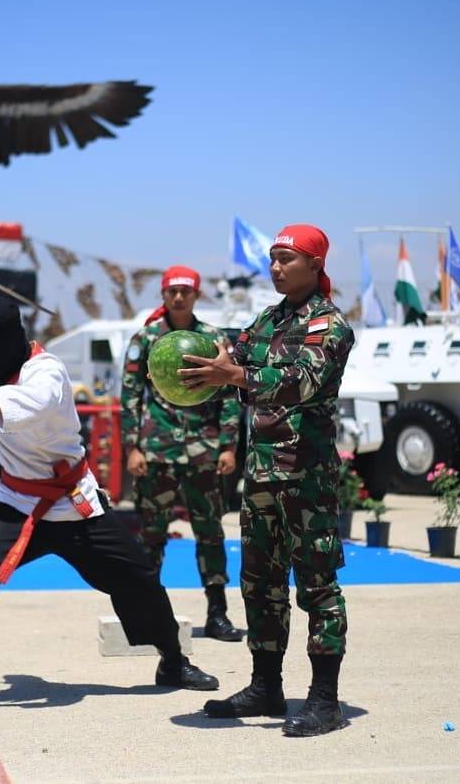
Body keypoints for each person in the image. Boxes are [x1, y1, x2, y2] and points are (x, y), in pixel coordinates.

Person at [0, 263, 219, 705]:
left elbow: (33, 403)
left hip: (72, 501)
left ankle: (173, 660)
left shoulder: (46, 371)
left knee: (138, 574)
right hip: (17, 502)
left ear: (11, 342)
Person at [178, 225, 354, 737]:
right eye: (272, 259)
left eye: (286, 258)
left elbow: (300, 383)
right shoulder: (266, 320)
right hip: (261, 477)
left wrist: (233, 376)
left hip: (307, 478)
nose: (275, 268)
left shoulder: (331, 325)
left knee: (318, 587)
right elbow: (233, 355)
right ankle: (265, 686)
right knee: (259, 585)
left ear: (315, 265)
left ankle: (325, 700)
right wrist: (198, 364)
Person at [121, 265, 243, 642]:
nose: (178, 297)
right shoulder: (146, 338)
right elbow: (129, 395)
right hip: (157, 451)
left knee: (210, 533)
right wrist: (132, 446)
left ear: (196, 295)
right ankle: (147, 612)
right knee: (152, 535)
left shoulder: (212, 339)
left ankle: (218, 612)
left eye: (185, 291)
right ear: (163, 294)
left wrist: (227, 444)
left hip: (204, 451)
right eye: (172, 291)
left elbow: (229, 395)